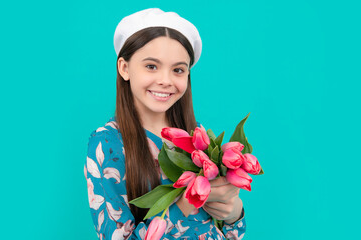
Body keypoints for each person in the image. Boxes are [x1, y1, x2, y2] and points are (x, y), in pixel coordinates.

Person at [84, 8, 246, 239]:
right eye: (151, 66)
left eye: (178, 70)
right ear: (125, 68)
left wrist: (233, 215)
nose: (165, 80)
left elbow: (226, 233)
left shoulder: (196, 135)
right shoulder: (106, 143)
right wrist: (184, 204)